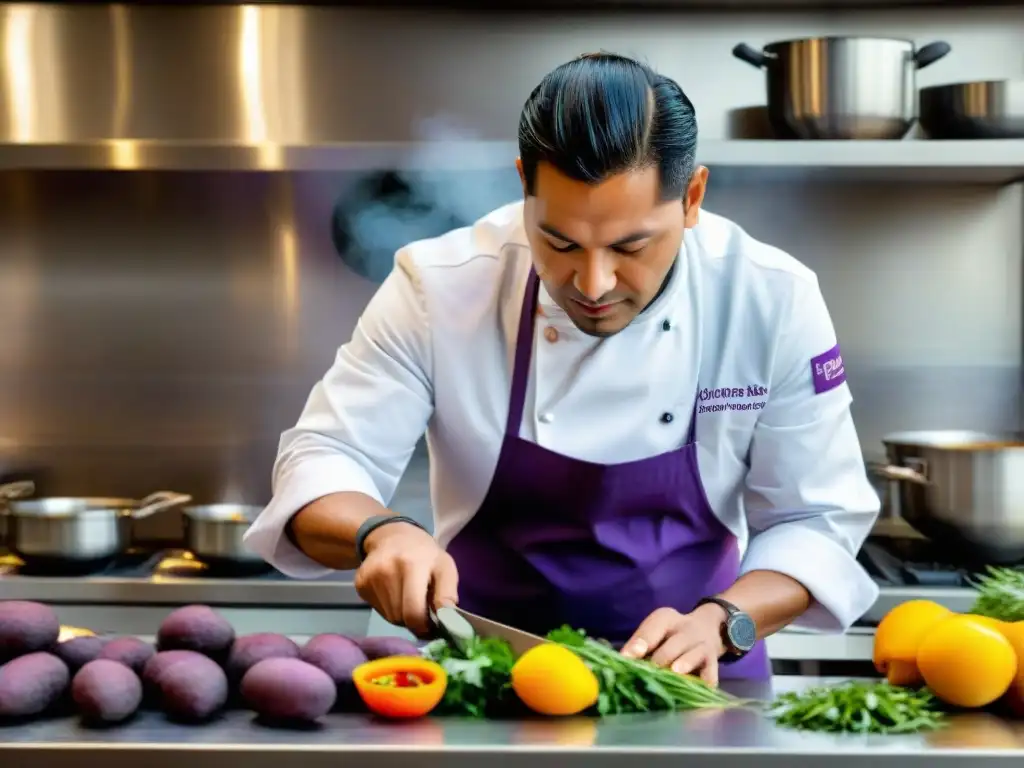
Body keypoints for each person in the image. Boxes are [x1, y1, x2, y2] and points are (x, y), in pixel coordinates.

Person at [245, 52, 880, 685]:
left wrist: (724, 622)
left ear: (691, 197)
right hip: (481, 679)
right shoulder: (439, 287)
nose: (594, 283)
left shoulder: (768, 297)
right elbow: (323, 456)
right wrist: (380, 532)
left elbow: (814, 519)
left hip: (697, 677)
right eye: (560, 242)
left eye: (631, 246)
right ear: (524, 182)